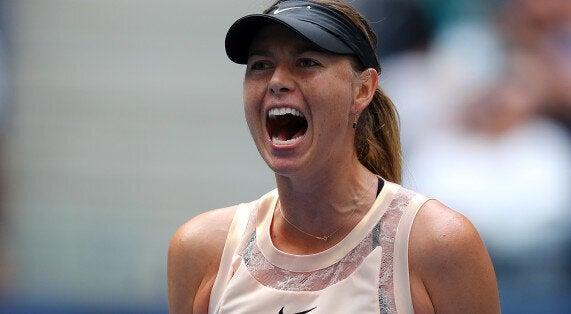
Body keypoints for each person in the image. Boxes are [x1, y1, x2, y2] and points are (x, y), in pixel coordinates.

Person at [167, 1, 500, 313]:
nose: (277, 81)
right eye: (261, 65)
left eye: (307, 62)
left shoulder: (439, 244)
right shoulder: (200, 250)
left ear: (363, 89)